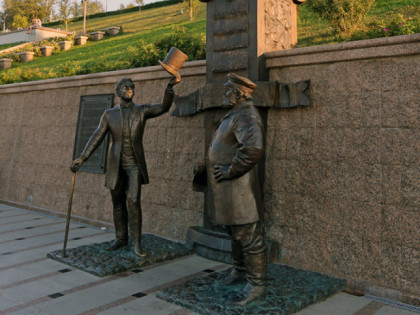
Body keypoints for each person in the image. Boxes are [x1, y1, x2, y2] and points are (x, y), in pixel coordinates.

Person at [70, 75, 181, 257]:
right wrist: (82, 158)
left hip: (134, 164)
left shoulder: (142, 110)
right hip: (116, 164)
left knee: (134, 201)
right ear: (118, 92)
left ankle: (136, 243)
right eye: (125, 87)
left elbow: (163, 107)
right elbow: (97, 136)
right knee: (118, 203)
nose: (129, 89)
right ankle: (120, 238)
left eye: (131, 87)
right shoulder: (109, 114)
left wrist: (169, 88)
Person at [208, 73, 267, 306]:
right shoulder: (234, 114)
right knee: (235, 232)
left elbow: (252, 148)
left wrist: (231, 170)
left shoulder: (246, 115)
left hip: (239, 187)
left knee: (249, 237)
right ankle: (239, 272)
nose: (224, 94)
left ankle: (257, 286)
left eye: (227, 91)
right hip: (228, 188)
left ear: (239, 94)